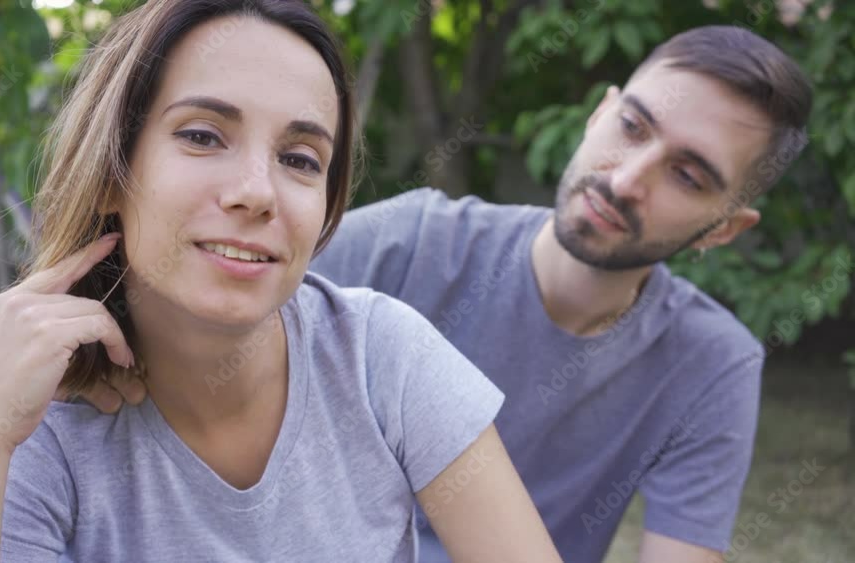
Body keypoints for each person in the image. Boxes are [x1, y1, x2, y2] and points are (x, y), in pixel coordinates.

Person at [81, 23, 813, 563]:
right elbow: (200, 298)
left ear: (725, 229)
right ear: (599, 114)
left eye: (688, 175)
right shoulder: (407, 243)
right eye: (632, 128)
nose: (626, 178)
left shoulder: (713, 364)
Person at [0, 1, 564, 562]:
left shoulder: (381, 357)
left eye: (300, 159)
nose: (257, 192)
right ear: (111, 172)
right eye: (202, 135)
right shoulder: (35, 427)